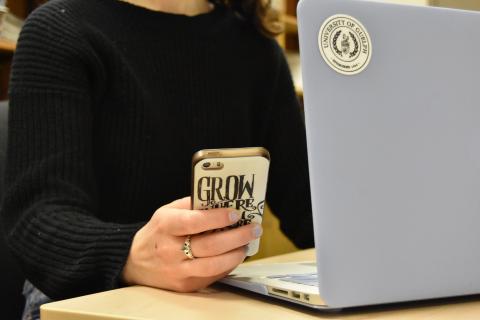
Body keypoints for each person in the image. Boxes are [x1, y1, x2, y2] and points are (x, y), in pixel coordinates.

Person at [0, 0, 314, 319]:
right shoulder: (61, 28)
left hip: (216, 298)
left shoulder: (256, 47)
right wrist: (132, 254)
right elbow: (35, 219)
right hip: (82, 299)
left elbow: (307, 208)